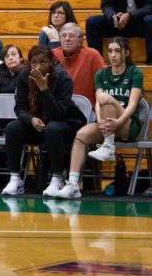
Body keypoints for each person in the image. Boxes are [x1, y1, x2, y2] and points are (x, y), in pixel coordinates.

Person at [54, 37, 143, 199]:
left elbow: (132, 106)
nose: (113, 55)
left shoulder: (134, 73)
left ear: (127, 53)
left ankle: (108, 146)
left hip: (126, 124)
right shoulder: (101, 74)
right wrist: (101, 123)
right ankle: (73, 184)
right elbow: (97, 103)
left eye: (117, 51)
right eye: (110, 51)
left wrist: (117, 122)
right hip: (106, 123)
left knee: (106, 99)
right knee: (81, 136)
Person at [1, 46, 85, 197]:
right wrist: (31, 119)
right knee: (12, 128)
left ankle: (57, 178)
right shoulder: (24, 76)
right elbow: (19, 107)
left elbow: (58, 113)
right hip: (39, 123)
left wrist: (45, 90)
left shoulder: (63, 78)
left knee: (52, 128)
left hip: (66, 123)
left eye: (43, 62)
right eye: (34, 63)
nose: (38, 67)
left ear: (51, 62)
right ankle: (15, 179)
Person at [52, 23, 104, 106]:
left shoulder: (93, 55)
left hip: (87, 109)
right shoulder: (53, 55)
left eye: (71, 36)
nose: (67, 39)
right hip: (60, 108)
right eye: (64, 36)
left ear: (80, 40)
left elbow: (102, 84)